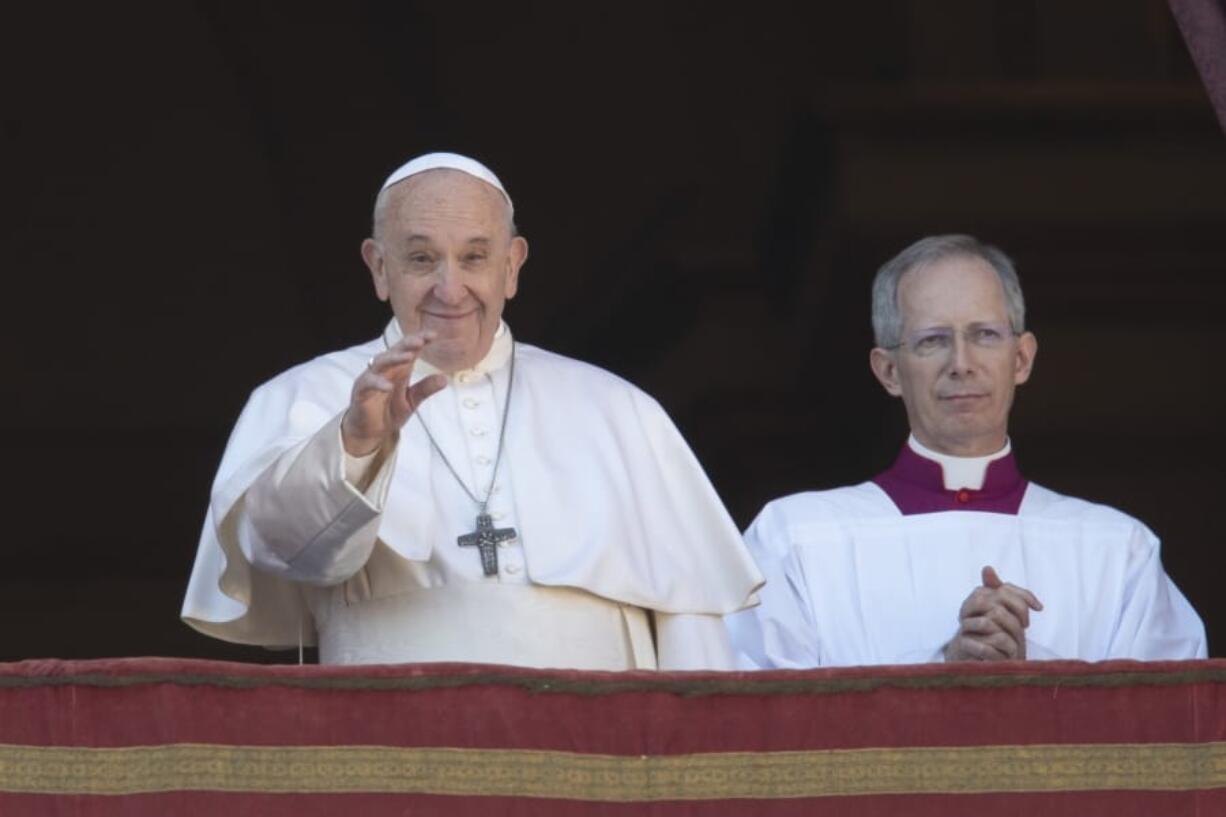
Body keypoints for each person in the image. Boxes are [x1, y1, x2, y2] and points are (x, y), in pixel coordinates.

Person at [183, 152, 762, 670]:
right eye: (421, 258)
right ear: (378, 268)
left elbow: (693, 621)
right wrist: (355, 446)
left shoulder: (619, 410)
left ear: (512, 265)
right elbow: (283, 551)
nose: (450, 288)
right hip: (393, 760)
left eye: (474, 257)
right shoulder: (302, 397)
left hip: (598, 767)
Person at [728, 234, 1206, 667]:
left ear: (1021, 358)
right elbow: (758, 730)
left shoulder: (1117, 552)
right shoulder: (795, 541)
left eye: (985, 335)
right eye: (933, 340)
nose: (962, 363)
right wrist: (946, 674)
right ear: (888, 371)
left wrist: (1022, 675)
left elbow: (1170, 733)